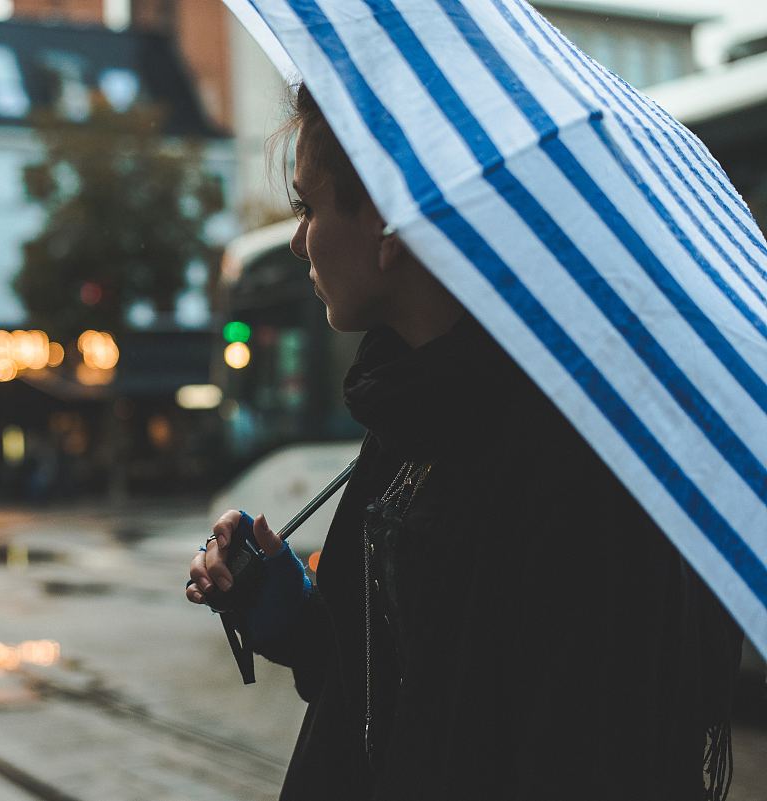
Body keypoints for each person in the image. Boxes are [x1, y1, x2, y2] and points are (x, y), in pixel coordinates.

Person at [186, 83, 745, 801]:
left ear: (388, 222)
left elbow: (571, 752)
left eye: (308, 207)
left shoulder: (569, 466)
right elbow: (391, 690)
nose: (299, 239)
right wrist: (281, 605)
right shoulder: (409, 416)